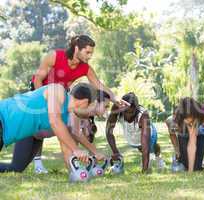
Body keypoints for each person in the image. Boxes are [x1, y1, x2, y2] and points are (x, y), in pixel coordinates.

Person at [28, 34, 127, 173]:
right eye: (87, 52)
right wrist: (43, 102)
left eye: (91, 53)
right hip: (38, 94)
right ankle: (38, 163)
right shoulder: (54, 56)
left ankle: (73, 169)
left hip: (61, 98)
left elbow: (98, 84)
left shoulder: (85, 67)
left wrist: (115, 98)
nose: (90, 56)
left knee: (67, 128)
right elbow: (37, 79)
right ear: (76, 49)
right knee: (36, 129)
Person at [0, 83, 108, 172]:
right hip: (2, 117)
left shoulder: (66, 117)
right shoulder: (57, 91)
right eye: (91, 108)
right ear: (84, 102)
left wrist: (76, 173)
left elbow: (67, 146)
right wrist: (76, 150)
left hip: (4, 133)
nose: (91, 114)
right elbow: (54, 122)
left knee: (16, 168)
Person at [105, 92, 164, 173]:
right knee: (141, 148)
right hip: (132, 138)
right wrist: (115, 152)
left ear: (136, 110)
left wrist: (144, 170)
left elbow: (145, 147)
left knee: (150, 148)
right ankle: (151, 156)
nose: (128, 116)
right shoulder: (116, 109)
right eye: (125, 112)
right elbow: (109, 131)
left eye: (131, 112)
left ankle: (158, 156)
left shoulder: (143, 115)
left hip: (150, 135)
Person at [165, 106, 204, 171]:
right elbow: (172, 135)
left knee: (196, 167)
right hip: (185, 133)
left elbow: (192, 144)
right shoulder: (170, 121)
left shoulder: (194, 123)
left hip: (201, 134)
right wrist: (177, 150)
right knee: (184, 163)